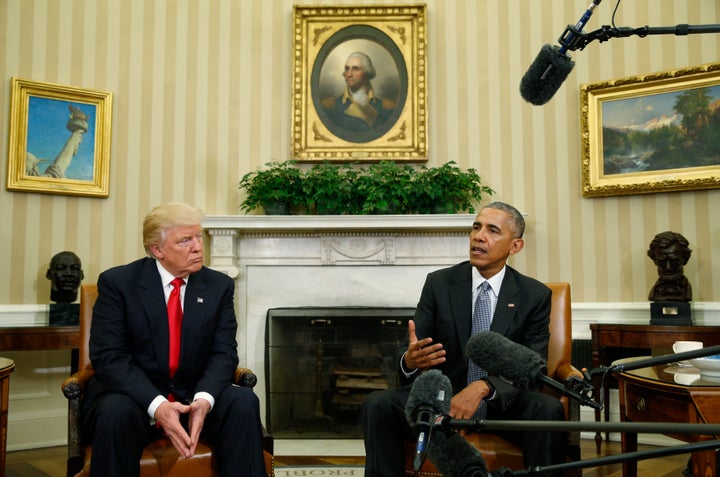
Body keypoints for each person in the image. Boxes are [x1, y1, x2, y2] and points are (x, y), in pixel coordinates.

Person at [361, 201, 566, 476]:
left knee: (547, 410)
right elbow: (412, 346)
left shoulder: (533, 295)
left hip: (501, 404)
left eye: (493, 231)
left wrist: (484, 387)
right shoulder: (439, 284)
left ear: (515, 246)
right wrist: (409, 360)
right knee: (378, 404)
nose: (479, 236)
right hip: (444, 398)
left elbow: (532, 365)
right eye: (476, 227)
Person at [82, 202, 266, 477]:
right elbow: (110, 358)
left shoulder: (218, 286)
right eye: (185, 241)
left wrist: (204, 400)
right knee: (114, 412)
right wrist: (158, 405)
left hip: (194, 394)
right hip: (136, 398)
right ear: (157, 250)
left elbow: (223, 353)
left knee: (243, 402)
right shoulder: (119, 284)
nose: (198, 247)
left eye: (198, 237)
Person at [321, 51, 396, 132]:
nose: (349, 74)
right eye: (347, 69)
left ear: (367, 73)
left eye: (355, 69)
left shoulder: (387, 106)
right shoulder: (330, 106)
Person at [647, 231, 692, 302]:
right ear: (654, 260)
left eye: (674, 262)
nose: (668, 267)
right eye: (662, 262)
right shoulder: (655, 292)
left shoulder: (686, 290)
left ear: (685, 260)